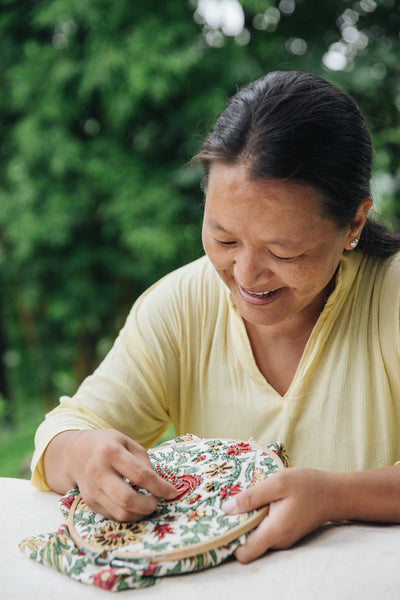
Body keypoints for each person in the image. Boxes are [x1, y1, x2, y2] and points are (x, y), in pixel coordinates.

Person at [32, 71, 400, 564]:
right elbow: (64, 431)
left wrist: (338, 496)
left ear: (354, 222)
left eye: (283, 251)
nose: (247, 275)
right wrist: (80, 452)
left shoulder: (390, 298)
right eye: (224, 239)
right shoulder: (182, 303)